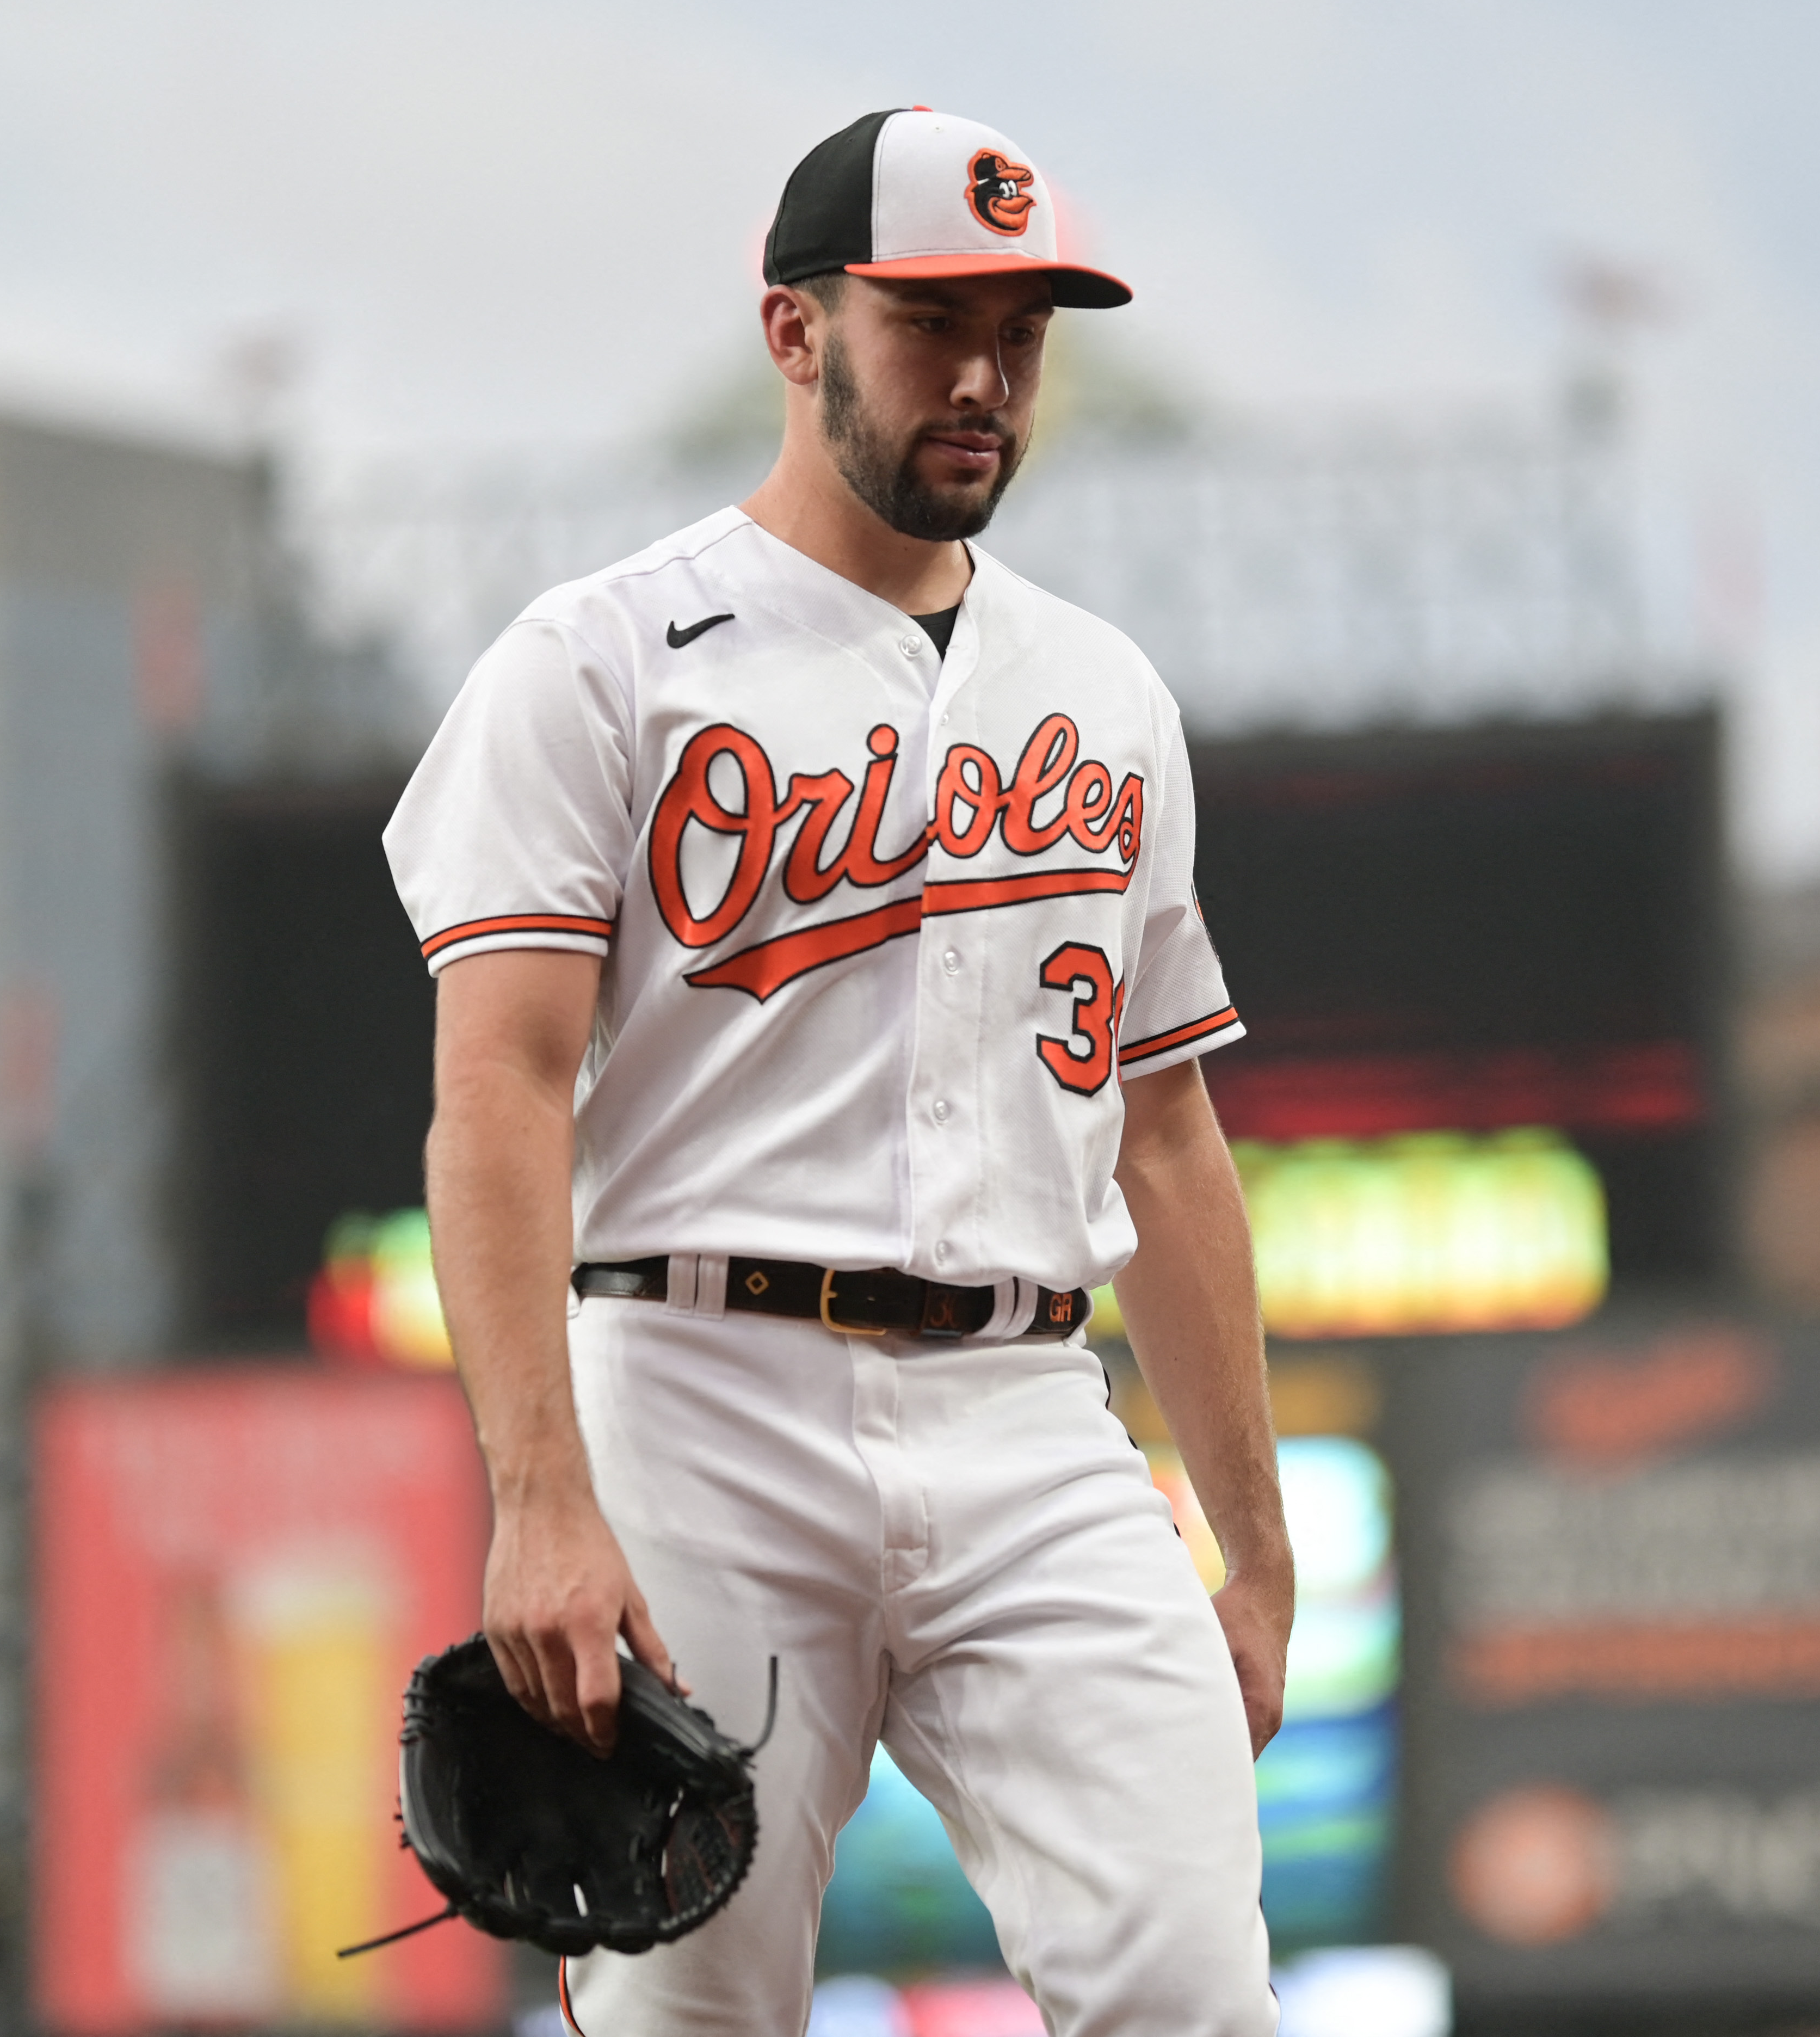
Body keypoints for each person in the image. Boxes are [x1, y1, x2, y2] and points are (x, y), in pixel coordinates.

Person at [382, 107, 1289, 2034]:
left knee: (1199, 1988)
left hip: (1033, 1410)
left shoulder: (1106, 695)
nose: (983, 378)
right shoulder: (599, 661)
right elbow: (500, 1097)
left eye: (1023, 332)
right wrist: (540, 1491)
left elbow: (1171, 1135)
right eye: (929, 324)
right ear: (794, 333)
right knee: (690, 2010)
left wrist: (1260, 1552)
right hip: (703, 1400)